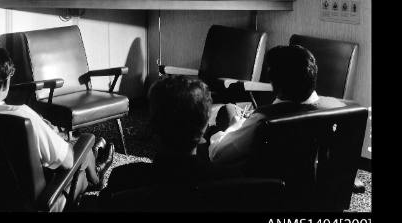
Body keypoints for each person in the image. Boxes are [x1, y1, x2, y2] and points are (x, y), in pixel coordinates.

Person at [0, 47, 114, 209]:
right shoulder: (22, 116)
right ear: (5, 84)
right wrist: (57, 136)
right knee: (84, 144)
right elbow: (68, 161)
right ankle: (95, 177)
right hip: (35, 203)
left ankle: (94, 168)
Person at [101, 76, 242, 199]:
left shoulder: (123, 178)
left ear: (151, 127)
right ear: (205, 128)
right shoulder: (227, 181)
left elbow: (104, 203)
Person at [208, 44, 345, 164]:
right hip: (313, 184)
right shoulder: (337, 108)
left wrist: (236, 125)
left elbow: (216, 154)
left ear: (275, 83)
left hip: (267, 188)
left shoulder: (263, 120)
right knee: (231, 109)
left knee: (227, 113)